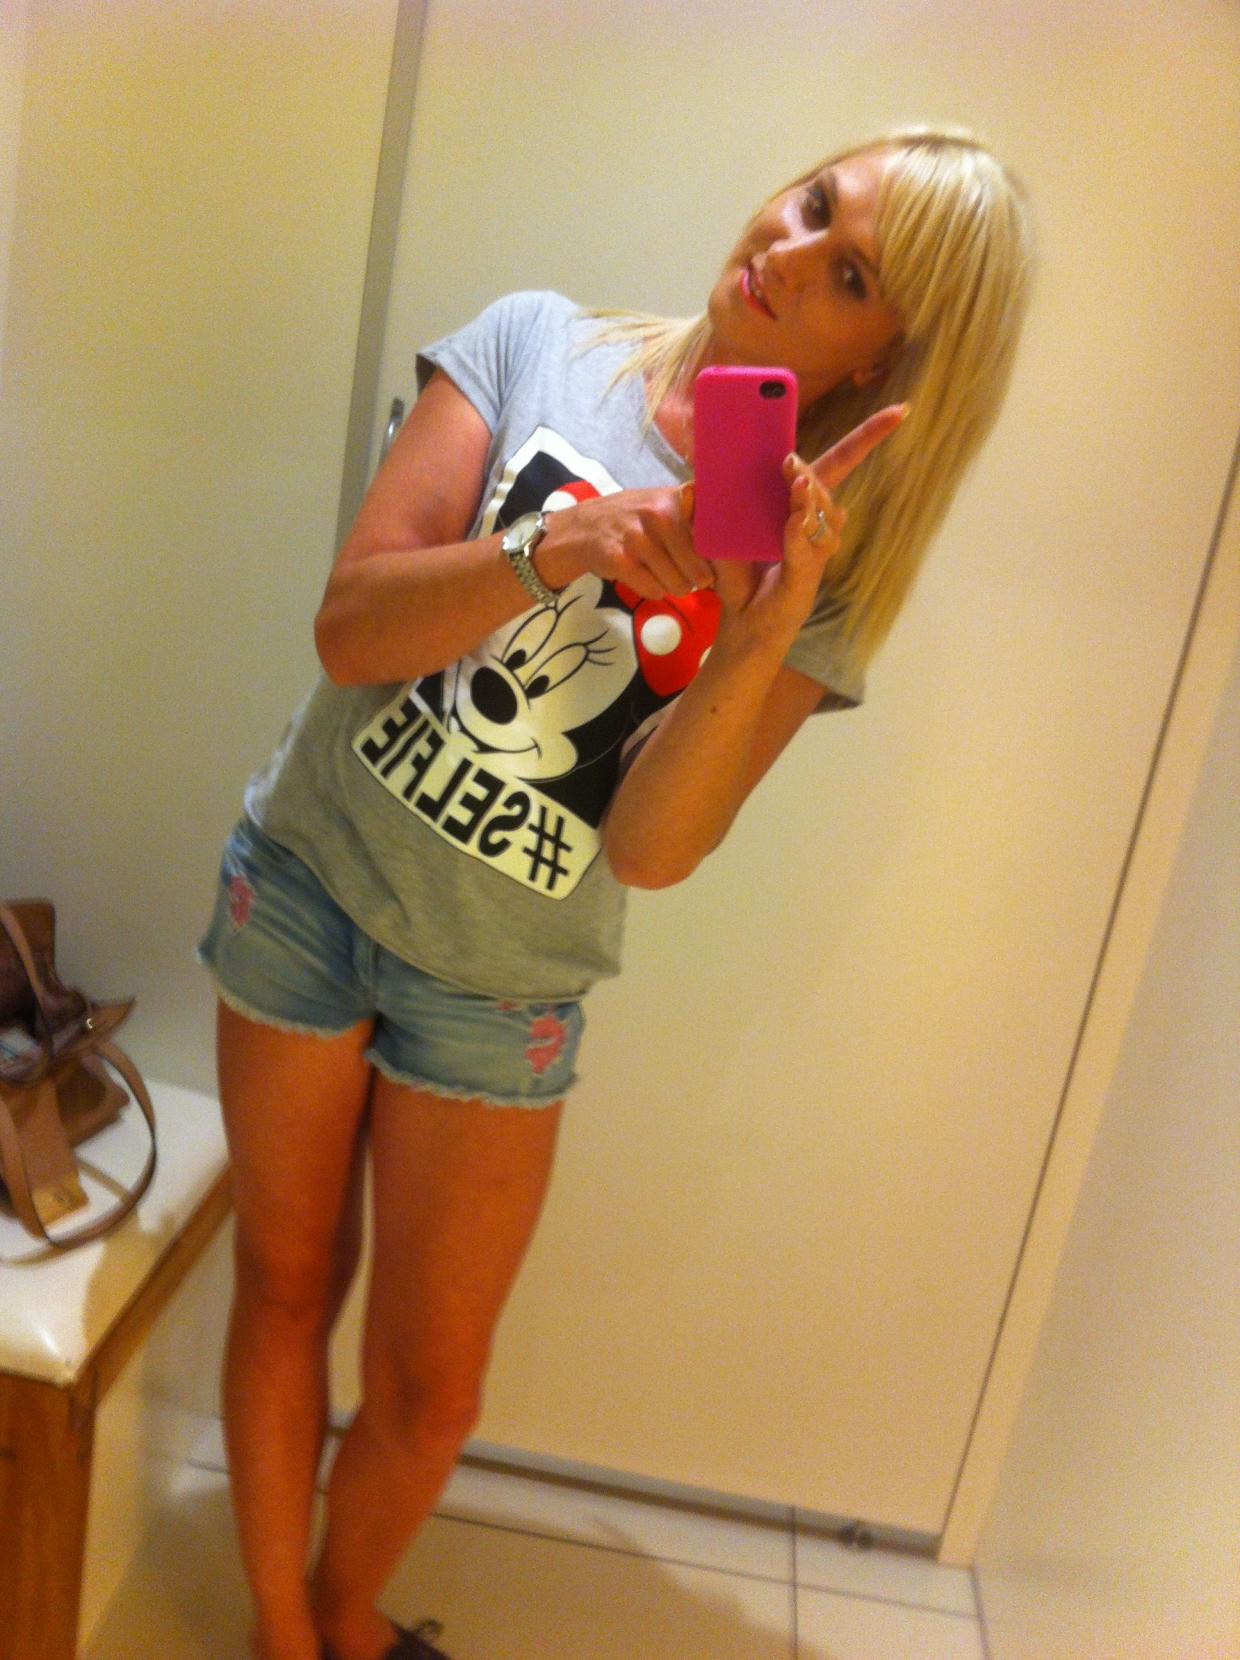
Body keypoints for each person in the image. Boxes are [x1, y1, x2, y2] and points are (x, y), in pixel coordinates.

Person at [196, 124, 1033, 1660]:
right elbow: (349, 628)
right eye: (814, 204)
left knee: (432, 1390)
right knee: (286, 1285)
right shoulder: (539, 345)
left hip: (500, 994)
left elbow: (647, 848)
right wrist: (559, 544)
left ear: (882, 356)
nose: (789, 253)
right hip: (306, 889)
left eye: (852, 275)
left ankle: (340, 1619)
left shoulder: (819, 576)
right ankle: (282, 1636)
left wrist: (759, 631)